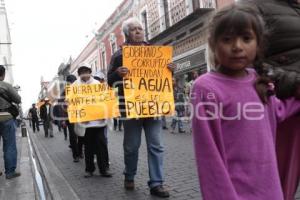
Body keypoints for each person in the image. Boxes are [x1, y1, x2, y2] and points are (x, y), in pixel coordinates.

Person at [191, 3, 300, 200]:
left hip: (271, 191)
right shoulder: (205, 88)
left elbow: (280, 111)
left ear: (258, 44)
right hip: (234, 193)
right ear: (213, 44)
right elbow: (209, 155)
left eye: (246, 38)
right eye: (227, 39)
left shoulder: (260, 82)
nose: (237, 46)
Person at [107, 17, 175, 198]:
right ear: (127, 33)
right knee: (131, 146)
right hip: (131, 108)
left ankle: (156, 183)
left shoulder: (155, 51)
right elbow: (108, 80)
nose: (138, 31)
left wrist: (170, 69)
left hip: (153, 106)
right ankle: (129, 175)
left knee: (156, 146)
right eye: (134, 29)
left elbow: (164, 77)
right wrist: (116, 74)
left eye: (140, 28)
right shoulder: (119, 54)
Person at [244, 0, 300, 199]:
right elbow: (249, 63)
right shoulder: (256, 6)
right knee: (281, 186)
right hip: (289, 109)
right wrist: (293, 83)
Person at [74, 63, 112, 178]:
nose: (84, 74)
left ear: (90, 72)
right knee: (88, 147)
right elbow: (72, 103)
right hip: (86, 123)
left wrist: (104, 115)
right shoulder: (75, 86)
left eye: (86, 71)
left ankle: (103, 169)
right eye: (82, 71)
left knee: (101, 145)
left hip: (99, 122)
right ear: (79, 74)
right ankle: (89, 169)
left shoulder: (97, 84)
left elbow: (105, 101)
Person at [0, 65, 21, 179]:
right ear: (3, 75)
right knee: (9, 145)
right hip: (5, 117)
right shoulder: (6, 86)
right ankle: (9, 172)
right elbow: (18, 99)